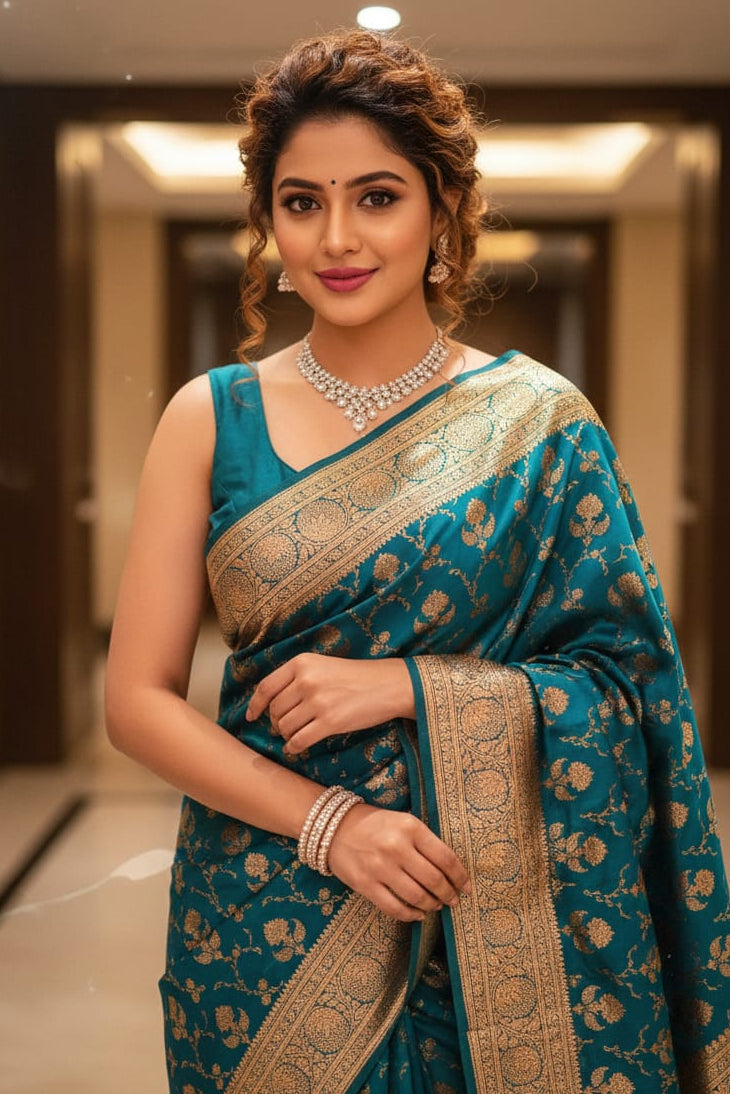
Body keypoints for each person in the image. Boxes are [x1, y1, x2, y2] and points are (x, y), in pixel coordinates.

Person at [105, 28, 730, 1094]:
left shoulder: (542, 425)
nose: (337, 236)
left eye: (378, 197)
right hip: (264, 907)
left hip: (494, 901)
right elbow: (136, 698)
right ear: (268, 221)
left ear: (442, 210)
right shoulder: (209, 417)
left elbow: (634, 694)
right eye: (301, 202)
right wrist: (328, 821)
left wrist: (407, 685)